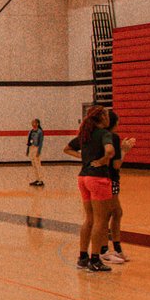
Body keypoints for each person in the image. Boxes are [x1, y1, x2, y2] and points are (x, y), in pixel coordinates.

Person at [64, 105, 116, 273]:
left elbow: (67, 148)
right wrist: (101, 161)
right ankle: (95, 259)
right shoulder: (104, 134)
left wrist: (84, 157)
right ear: (102, 118)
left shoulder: (85, 134)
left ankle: (82, 257)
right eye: (107, 115)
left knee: (89, 219)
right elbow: (110, 151)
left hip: (83, 177)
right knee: (101, 220)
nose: (109, 117)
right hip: (98, 178)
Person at [101, 110, 136, 265]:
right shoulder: (112, 137)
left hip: (98, 178)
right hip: (110, 179)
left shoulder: (98, 135)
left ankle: (111, 248)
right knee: (112, 213)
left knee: (111, 213)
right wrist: (124, 151)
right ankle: (107, 250)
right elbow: (116, 164)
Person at [26, 119, 45, 186]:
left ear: (37, 123)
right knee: (33, 164)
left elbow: (40, 143)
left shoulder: (40, 132)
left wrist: (38, 152)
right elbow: (28, 141)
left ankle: (41, 180)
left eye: (34, 122)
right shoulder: (31, 131)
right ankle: (37, 179)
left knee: (38, 164)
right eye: (32, 122)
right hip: (31, 147)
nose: (32, 124)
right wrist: (27, 151)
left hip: (36, 148)